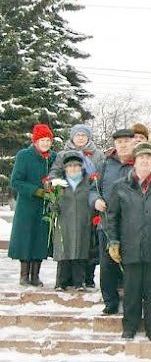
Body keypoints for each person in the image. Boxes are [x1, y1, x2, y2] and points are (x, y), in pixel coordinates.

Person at [106, 141, 151, 341]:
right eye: (141, 158)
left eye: (149, 159)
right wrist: (113, 241)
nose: (145, 162)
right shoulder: (119, 186)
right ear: (134, 162)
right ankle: (129, 327)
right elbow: (112, 217)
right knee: (131, 290)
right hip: (130, 247)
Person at [48, 123, 104, 288]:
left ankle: (87, 278)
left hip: (88, 200)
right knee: (66, 244)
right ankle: (64, 280)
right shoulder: (62, 154)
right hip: (67, 201)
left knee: (86, 243)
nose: (80, 137)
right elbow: (54, 173)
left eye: (83, 135)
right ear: (72, 137)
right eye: (77, 135)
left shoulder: (97, 154)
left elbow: (101, 175)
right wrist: (54, 186)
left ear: (88, 137)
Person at [89, 128, 135, 315]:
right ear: (115, 144)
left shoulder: (141, 162)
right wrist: (95, 201)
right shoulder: (105, 164)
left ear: (134, 143)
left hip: (133, 223)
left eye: (126, 141)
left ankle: (132, 300)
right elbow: (93, 189)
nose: (123, 145)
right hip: (107, 223)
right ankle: (110, 301)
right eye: (119, 142)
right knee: (107, 265)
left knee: (131, 264)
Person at [8, 124, 56, 287]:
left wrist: (54, 189)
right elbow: (16, 181)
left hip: (45, 206)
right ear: (35, 141)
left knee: (41, 239)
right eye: (42, 140)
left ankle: (35, 275)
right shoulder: (24, 156)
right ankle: (24, 274)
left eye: (48, 140)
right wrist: (35, 191)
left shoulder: (53, 157)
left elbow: (57, 176)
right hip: (27, 205)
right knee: (26, 238)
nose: (45, 143)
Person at [53, 151, 93, 291]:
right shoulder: (59, 185)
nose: (73, 168)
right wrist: (53, 206)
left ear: (82, 167)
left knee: (80, 253)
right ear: (65, 168)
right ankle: (61, 282)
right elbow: (53, 203)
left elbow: (93, 200)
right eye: (70, 166)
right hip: (64, 223)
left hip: (83, 222)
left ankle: (79, 282)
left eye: (76, 166)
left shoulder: (89, 183)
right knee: (64, 252)